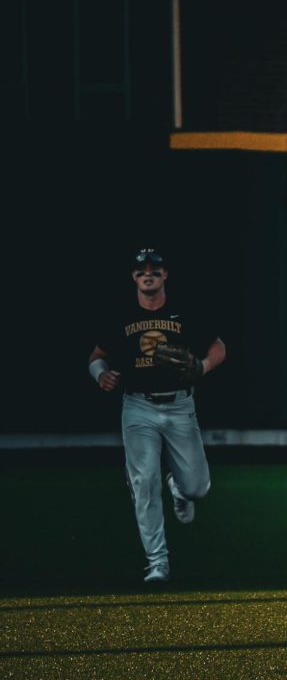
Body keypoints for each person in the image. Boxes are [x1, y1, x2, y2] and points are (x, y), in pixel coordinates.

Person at [88, 248, 226, 584]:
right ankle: (157, 562)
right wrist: (100, 374)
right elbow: (97, 356)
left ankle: (178, 488)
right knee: (144, 481)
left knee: (197, 489)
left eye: (155, 269)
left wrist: (202, 368)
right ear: (133, 277)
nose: (148, 274)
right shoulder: (120, 316)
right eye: (141, 270)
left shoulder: (186, 313)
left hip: (180, 406)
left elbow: (219, 347)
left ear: (165, 275)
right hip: (138, 407)